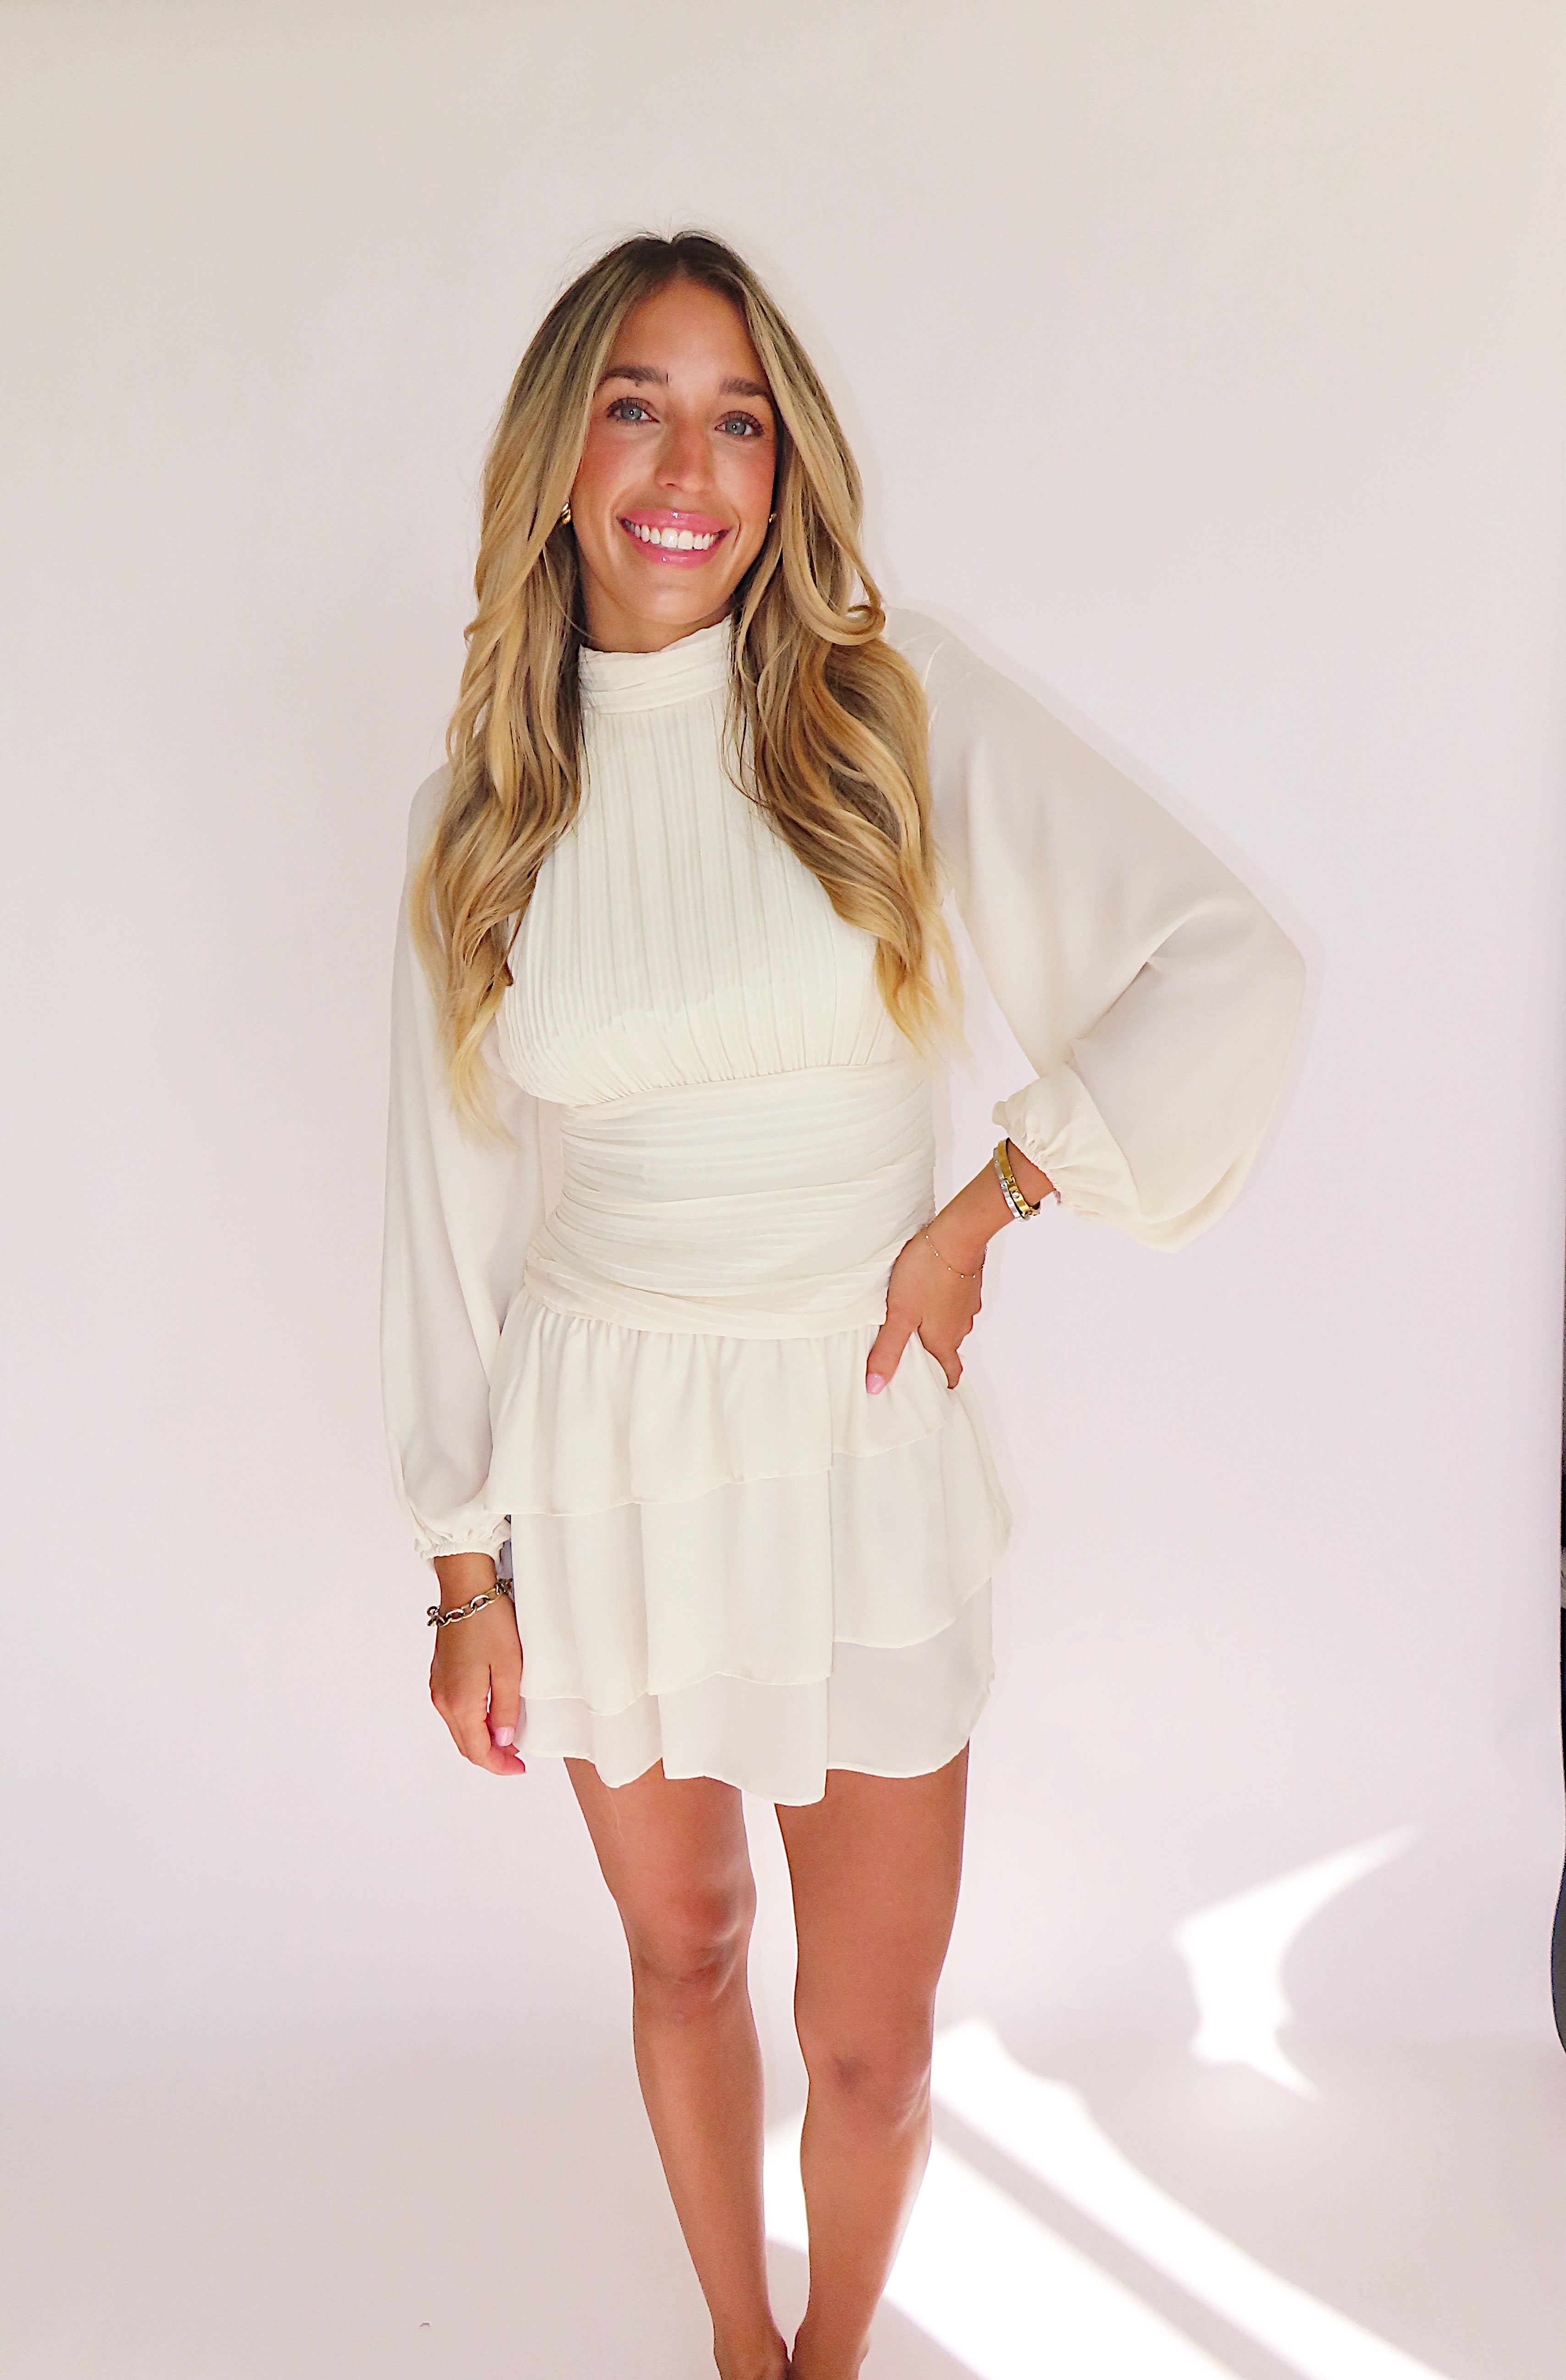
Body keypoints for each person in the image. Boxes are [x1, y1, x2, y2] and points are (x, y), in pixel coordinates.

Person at [381, 230, 1303, 2380]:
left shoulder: (890, 713)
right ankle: (742, 2347)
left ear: (786, 467)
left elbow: (1222, 961)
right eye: (636, 407)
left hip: (857, 1431)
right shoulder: (483, 818)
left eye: (740, 419)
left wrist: (993, 1200)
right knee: (684, 1952)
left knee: (871, 2042)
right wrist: (462, 1568)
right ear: (558, 458)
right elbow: (440, 1207)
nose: (687, 467)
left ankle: (842, 2347)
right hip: (602, 1457)